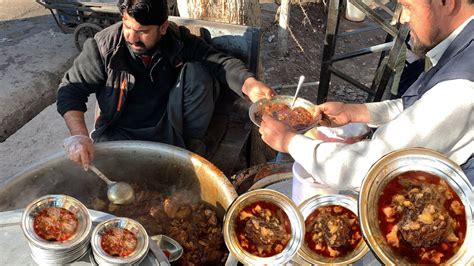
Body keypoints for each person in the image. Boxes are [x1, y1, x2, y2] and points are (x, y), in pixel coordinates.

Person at [259, 0, 474, 188]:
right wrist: (356, 112)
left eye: (408, 6)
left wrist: (288, 141)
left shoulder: (460, 90)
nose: (403, 19)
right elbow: (416, 106)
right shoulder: (463, 47)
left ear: (446, 2)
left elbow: (367, 167)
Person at [58, 0, 275, 170]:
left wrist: (250, 84)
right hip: (119, 131)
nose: (132, 38)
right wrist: (79, 136)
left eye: (142, 31)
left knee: (198, 73)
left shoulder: (176, 40)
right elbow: (70, 91)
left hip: (167, 128)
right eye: (127, 26)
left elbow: (221, 62)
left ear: (162, 27)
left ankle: (191, 142)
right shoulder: (103, 47)